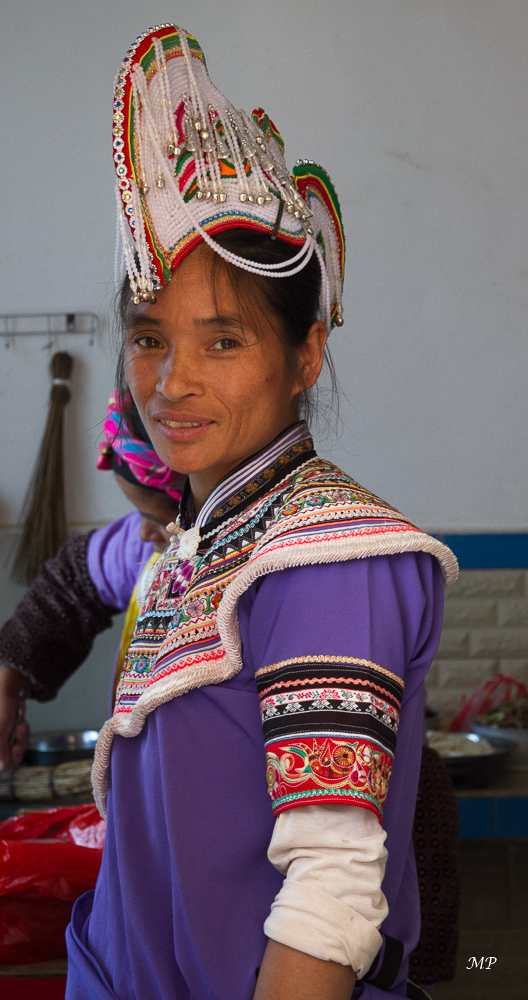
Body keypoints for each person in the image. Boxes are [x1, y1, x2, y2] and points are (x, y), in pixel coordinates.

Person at [63, 24, 458, 1000]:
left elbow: (329, 900)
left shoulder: (326, 559)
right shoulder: (193, 539)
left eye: (223, 340)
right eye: (148, 338)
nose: (172, 382)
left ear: (305, 354)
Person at [0, 396, 179, 799]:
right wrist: (7, 683)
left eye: (156, 519)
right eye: (138, 514)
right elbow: (71, 582)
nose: (141, 534)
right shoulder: (146, 551)